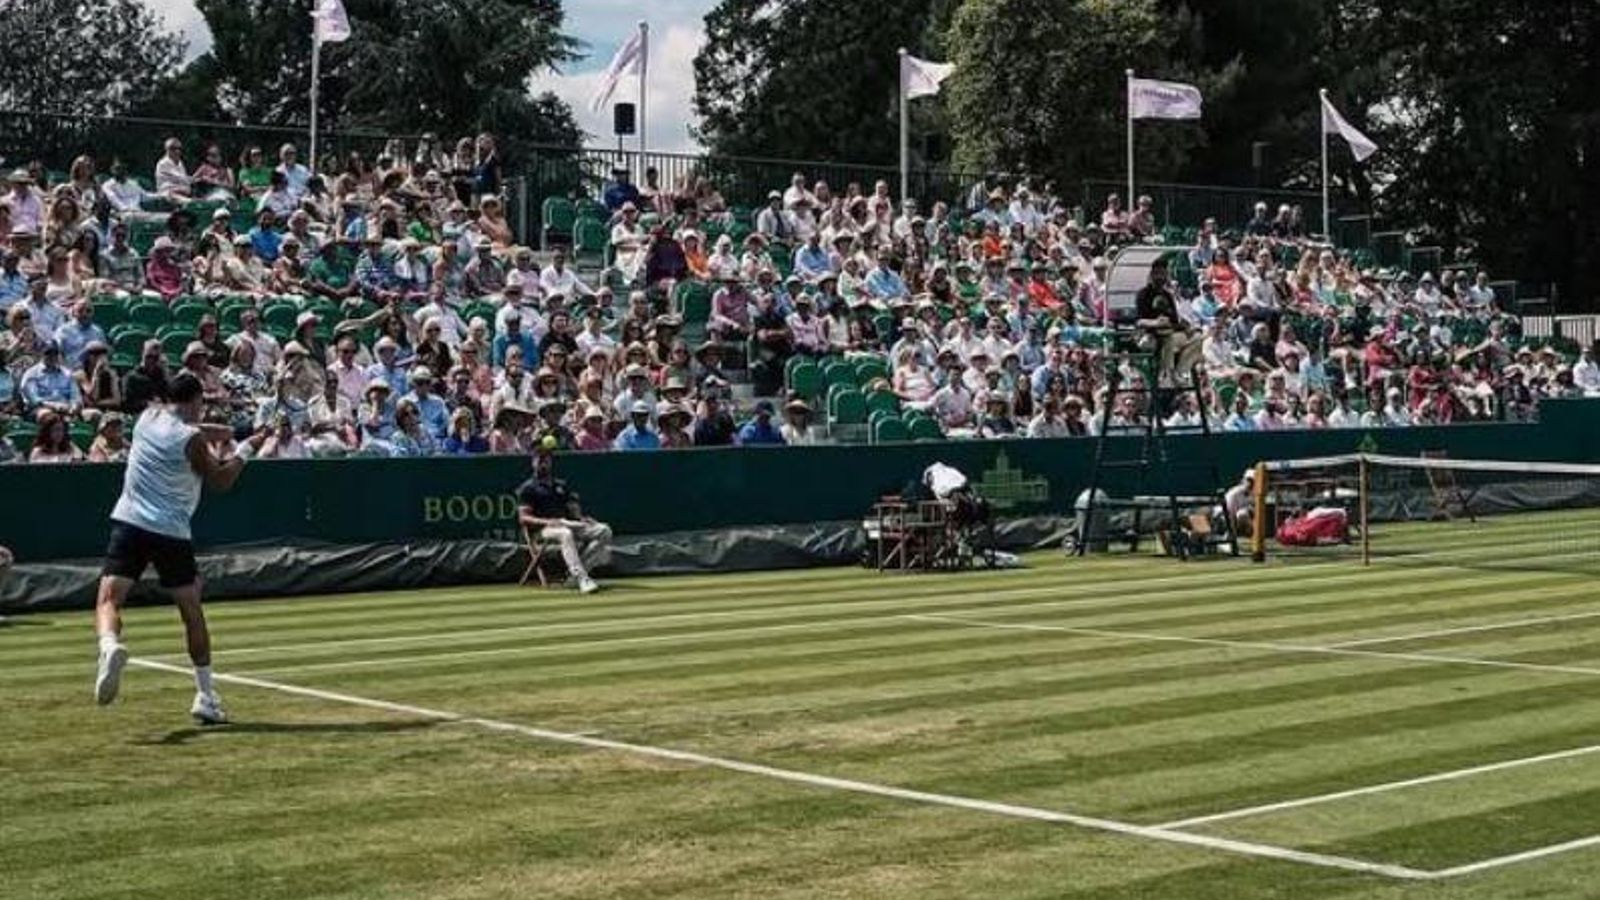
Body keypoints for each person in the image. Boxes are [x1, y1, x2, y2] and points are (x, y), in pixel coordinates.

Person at [92, 372, 270, 724]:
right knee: (191, 612)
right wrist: (247, 449)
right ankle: (205, 695)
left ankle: (109, 646)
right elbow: (220, 479)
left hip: (130, 523)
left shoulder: (147, 417)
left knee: (108, 599)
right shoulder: (190, 440)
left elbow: (192, 425)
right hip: (171, 532)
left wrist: (226, 432)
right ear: (194, 401)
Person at [516, 445, 612, 594]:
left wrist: (582, 519)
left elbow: (572, 509)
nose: (542, 464)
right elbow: (523, 518)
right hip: (543, 530)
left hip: (566, 522)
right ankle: (581, 578)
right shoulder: (527, 488)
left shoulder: (561, 485)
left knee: (604, 530)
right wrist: (548, 522)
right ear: (533, 462)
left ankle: (575, 574)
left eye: (546, 460)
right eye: (539, 460)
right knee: (565, 533)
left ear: (551, 463)